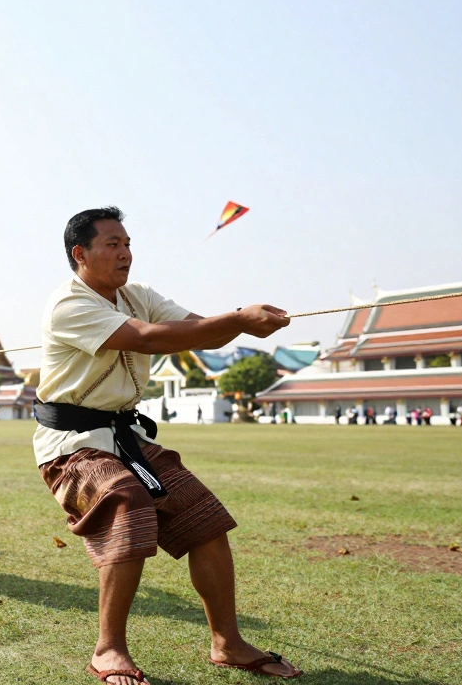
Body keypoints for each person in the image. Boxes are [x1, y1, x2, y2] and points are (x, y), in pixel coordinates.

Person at [33, 208, 299, 683]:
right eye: (112, 244)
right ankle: (108, 650)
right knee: (127, 501)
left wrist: (239, 324)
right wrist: (238, 318)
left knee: (206, 519)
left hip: (125, 438)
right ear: (81, 254)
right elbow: (152, 339)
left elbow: (198, 330)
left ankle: (228, 643)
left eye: (128, 243)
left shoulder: (138, 296)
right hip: (71, 446)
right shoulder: (68, 304)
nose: (125, 253)